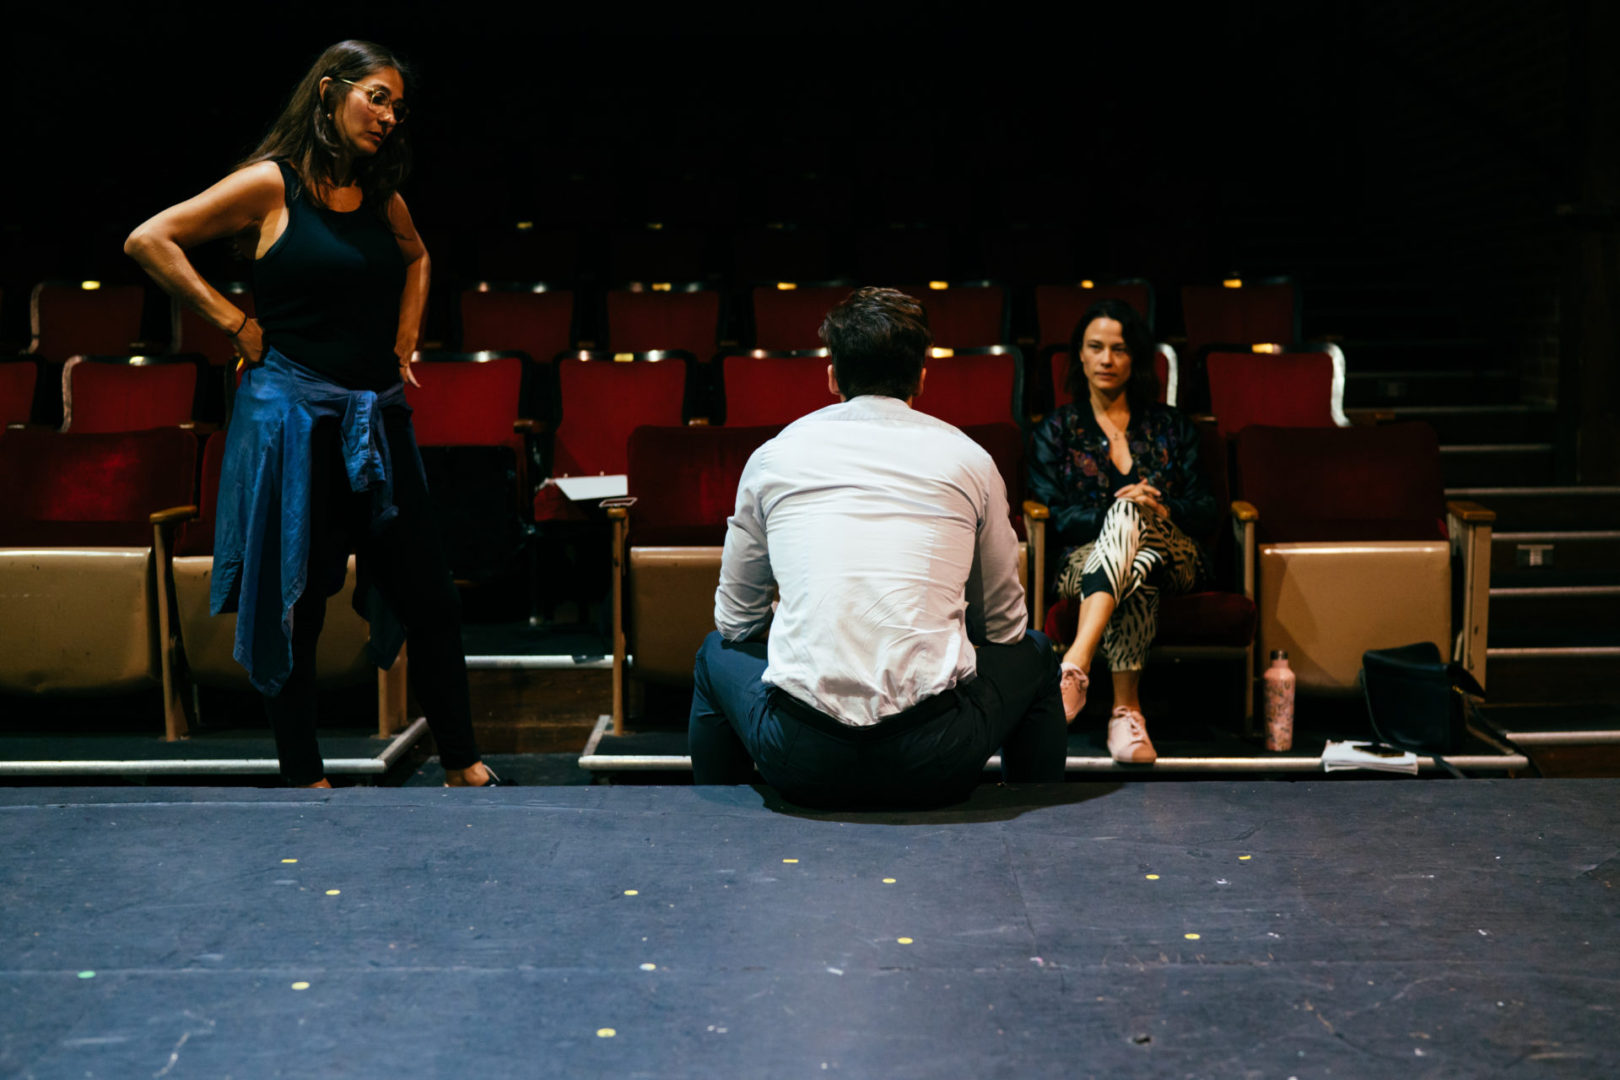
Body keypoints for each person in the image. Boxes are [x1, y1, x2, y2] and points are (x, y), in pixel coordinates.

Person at [125, 40, 498, 787]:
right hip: (293, 420)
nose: (389, 116)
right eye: (376, 97)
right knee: (296, 601)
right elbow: (149, 239)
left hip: (377, 421)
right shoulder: (272, 185)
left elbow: (417, 258)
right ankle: (305, 774)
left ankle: (463, 763)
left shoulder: (384, 197)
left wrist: (405, 335)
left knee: (429, 596)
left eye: (398, 105)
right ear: (330, 93)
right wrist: (233, 322)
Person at [688, 287, 1067, 808]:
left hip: (800, 758)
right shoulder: (970, 460)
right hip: (935, 759)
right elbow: (1005, 628)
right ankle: (1040, 830)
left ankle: (711, 830)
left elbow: (735, 622)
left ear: (832, 376)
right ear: (922, 379)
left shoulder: (774, 457)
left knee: (714, 654)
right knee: (1039, 654)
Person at [1028, 299, 1216, 764]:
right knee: (1138, 561)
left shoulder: (1172, 427)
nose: (1107, 360)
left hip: (1176, 554)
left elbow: (1207, 509)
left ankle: (1077, 661)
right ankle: (1126, 715)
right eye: (1096, 348)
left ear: (1136, 358)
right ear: (1080, 356)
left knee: (1138, 527)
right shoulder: (1057, 430)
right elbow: (1052, 512)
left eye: (1119, 349)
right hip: (1083, 560)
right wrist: (1120, 510)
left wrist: (1160, 506)